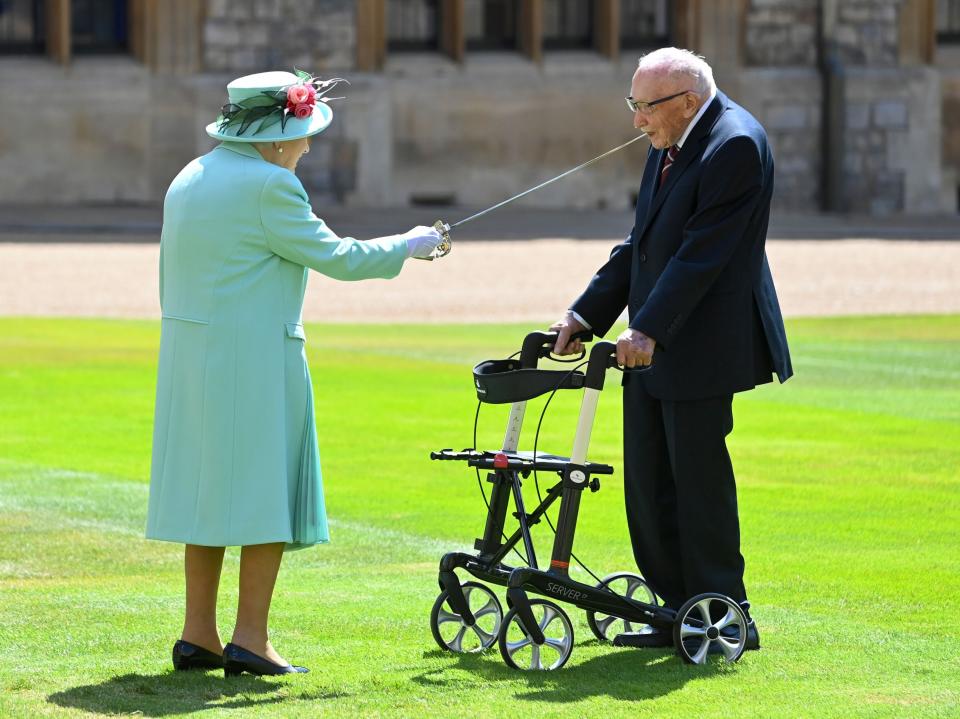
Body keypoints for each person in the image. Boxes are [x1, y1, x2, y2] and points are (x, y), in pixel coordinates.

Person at [145, 70, 444, 676]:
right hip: (254, 358)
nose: (307, 148)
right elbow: (336, 256)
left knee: (206, 493)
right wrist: (410, 244)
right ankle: (250, 639)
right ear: (276, 137)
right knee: (265, 494)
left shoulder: (189, 176)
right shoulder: (270, 185)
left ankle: (196, 632)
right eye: (303, 136)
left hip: (190, 359)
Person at [552, 48, 792, 650]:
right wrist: (586, 314)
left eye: (645, 107)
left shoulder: (734, 143)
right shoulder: (671, 138)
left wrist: (647, 328)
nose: (637, 120)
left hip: (702, 343)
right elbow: (644, 243)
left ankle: (724, 613)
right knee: (651, 483)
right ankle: (675, 612)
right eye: (632, 105)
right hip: (652, 342)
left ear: (687, 101)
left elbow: (701, 255)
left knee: (698, 483)